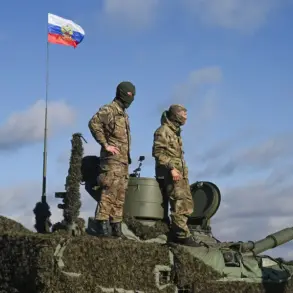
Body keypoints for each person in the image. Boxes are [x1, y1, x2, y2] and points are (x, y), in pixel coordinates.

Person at [88, 81, 135, 238]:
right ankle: (102, 224)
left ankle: (116, 226)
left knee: (120, 194)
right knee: (109, 192)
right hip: (112, 160)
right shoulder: (110, 109)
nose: (131, 98)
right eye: (129, 95)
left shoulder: (123, 114)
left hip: (122, 160)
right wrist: (105, 144)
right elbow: (94, 123)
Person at [152, 104, 201, 246]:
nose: (186, 116)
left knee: (186, 204)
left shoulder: (175, 132)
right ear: (175, 115)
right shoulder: (163, 131)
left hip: (180, 174)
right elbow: (158, 153)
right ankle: (181, 235)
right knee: (179, 203)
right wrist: (172, 168)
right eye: (183, 114)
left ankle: (180, 232)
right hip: (170, 174)